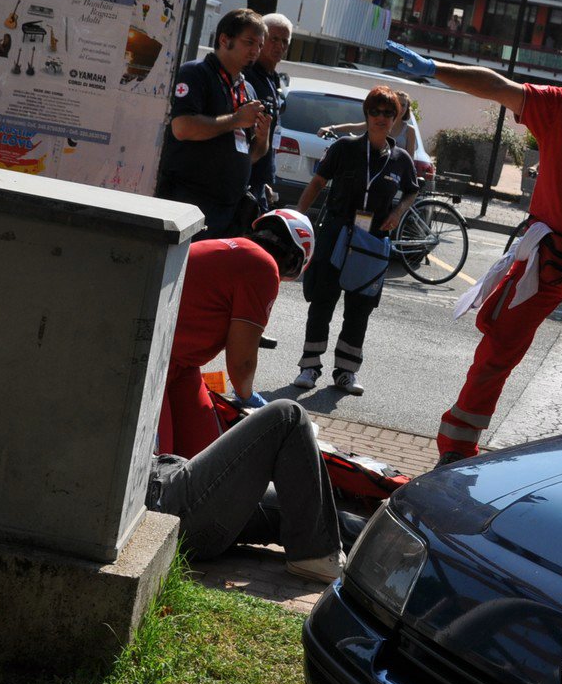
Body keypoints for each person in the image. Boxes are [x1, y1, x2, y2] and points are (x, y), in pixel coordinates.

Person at [387, 22, 562, 466]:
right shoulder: (560, 108)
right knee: (497, 350)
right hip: (548, 256)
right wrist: (434, 68)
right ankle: (456, 452)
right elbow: (498, 88)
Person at [157, 208, 316, 458]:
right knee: (155, 466)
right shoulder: (262, 266)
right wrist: (248, 396)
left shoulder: (238, 250)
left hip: (179, 366)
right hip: (155, 365)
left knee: (203, 456)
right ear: (296, 259)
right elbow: (241, 362)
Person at [293, 86, 421, 396]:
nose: (380, 118)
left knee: (360, 308)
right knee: (322, 300)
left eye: (387, 113)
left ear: (396, 118)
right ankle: (310, 366)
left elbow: (413, 190)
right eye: (375, 111)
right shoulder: (344, 148)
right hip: (337, 232)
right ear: (366, 114)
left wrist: (398, 211)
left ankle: (346, 372)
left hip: (373, 240)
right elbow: (318, 182)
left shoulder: (400, 159)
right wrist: (296, 217)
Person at [146, 399, 345, 584]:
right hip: (169, 503)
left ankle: (372, 553)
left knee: (316, 513)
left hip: (171, 483)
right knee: (287, 415)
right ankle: (316, 556)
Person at [155, 8, 271, 239]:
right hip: (189, 204)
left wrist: (263, 135)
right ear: (224, 39)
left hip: (229, 212)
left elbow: (253, 155)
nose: (255, 51)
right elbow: (183, 127)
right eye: (249, 42)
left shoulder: (247, 88)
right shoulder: (196, 73)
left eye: (259, 45)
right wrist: (237, 119)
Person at [244, 12, 293, 212]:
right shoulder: (247, 75)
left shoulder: (273, 78)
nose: (279, 46)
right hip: (243, 174)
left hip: (260, 179)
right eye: (274, 39)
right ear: (262, 40)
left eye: (284, 41)